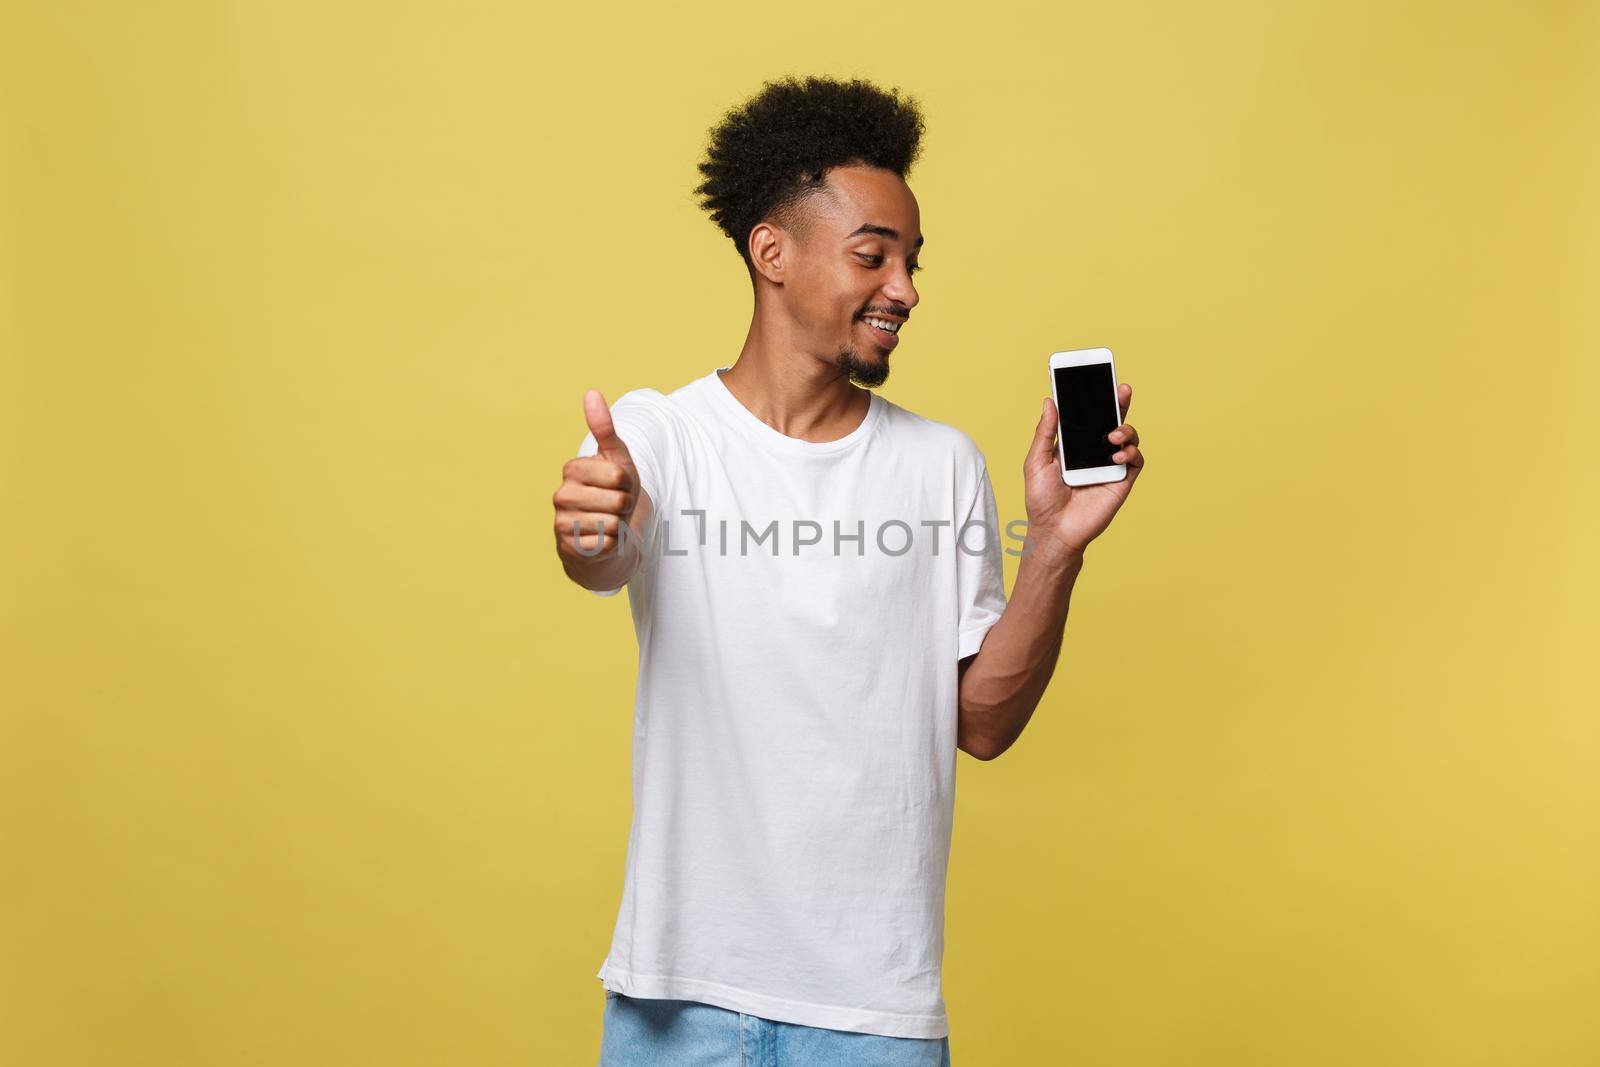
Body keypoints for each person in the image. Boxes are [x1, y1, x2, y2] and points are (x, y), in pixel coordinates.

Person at [552, 75, 1145, 1066]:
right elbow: (602, 549)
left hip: (872, 1017)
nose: (906, 288)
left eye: (911, 262)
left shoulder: (941, 464)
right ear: (770, 252)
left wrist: (1053, 547)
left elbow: (983, 724)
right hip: (679, 1003)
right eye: (873, 255)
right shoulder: (659, 435)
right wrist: (592, 524)